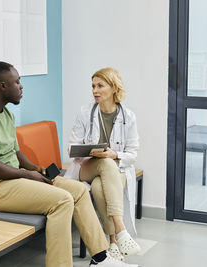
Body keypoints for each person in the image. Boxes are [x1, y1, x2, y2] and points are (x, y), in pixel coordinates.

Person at [0, 61, 139, 267]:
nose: (21, 86)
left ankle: (101, 259)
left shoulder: (5, 114)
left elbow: (15, 152)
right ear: (2, 86)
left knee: (79, 190)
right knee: (62, 200)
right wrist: (28, 175)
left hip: (12, 179)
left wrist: (36, 169)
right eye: (17, 82)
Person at [65, 67, 141, 261]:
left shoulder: (128, 117)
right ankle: (121, 230)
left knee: (100, 186)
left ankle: (113, 242)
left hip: (117, 168)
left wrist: (114, 154)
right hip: (87, 167)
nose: (95, 90)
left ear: (113, 88)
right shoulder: (85, 113)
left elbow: (133, 154)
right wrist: (88, 149)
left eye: (100, 86)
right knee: (106, 165)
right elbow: (71, 147)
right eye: (93, 86)